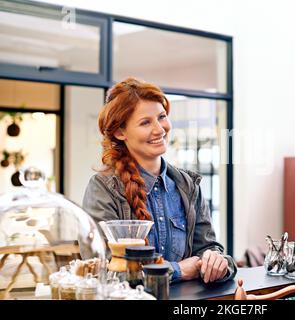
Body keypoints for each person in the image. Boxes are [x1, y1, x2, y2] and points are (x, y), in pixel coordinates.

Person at [82, 77, 237, 283]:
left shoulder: (188, 185)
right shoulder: (103, 188)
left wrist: (217, 262)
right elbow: (102, 268)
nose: (159, 129)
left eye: (162, 117)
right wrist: (177, 270)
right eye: (145, 122)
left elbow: (208, 248)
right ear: (120, 132)